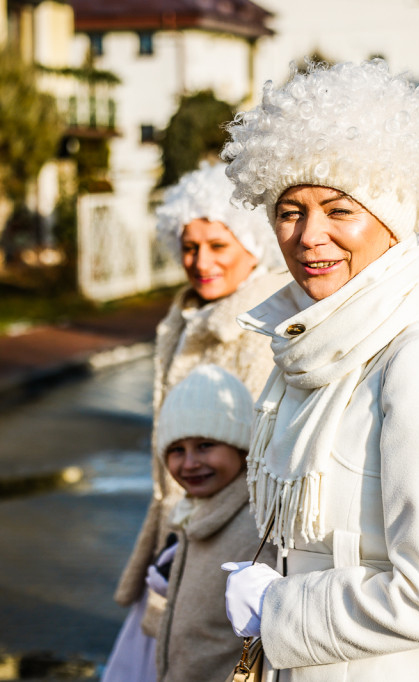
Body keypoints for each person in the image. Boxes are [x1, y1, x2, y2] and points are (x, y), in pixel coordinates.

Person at [221, 60, 419, 680]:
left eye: (338, 210)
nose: (308, 235)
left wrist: (276, 606)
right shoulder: (306, 351)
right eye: (289, 210)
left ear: (392, 221)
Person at [103, 162, 287, 682]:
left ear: (252, 246)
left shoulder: (262, 323)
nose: (200, 261)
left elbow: (259, 450)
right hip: (180, 528)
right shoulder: (189, 315)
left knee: (204, 655)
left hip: (230, 536)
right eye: (189, 246)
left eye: (218, 245)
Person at [148, 364, 278, 682]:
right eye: (177, 450)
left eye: (205, 445)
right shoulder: (193, 511)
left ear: (241, 447)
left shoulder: (257, 526)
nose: (190, 463)